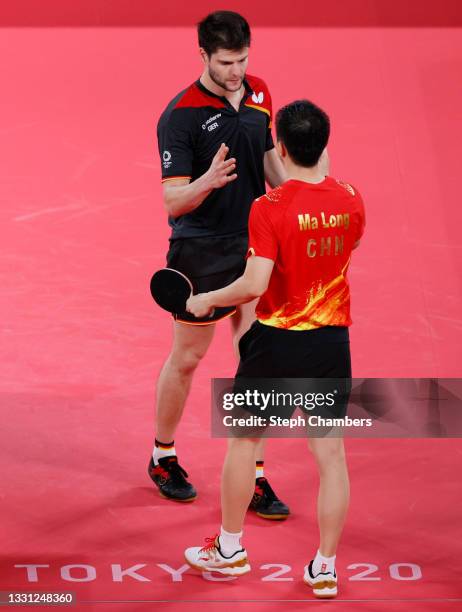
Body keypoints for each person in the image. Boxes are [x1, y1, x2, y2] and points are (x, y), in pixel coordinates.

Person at [184, 99, 365, 599]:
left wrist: (207, 301)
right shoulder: (351, 198)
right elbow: (345, 247)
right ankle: (325, 567)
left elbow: (252, 284)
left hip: (275, 343)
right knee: (331, 455)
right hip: (332, 342)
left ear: (279, 148)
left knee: (244, 443)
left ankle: (229, 549)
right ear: (323, 146)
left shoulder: (269, 207)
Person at [149, 11, 290, 519]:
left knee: (256, 361)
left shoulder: (259, 93)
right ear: (203, 56)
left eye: (244, 59)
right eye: (227, 62)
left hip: (255, 243)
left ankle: (251, 473)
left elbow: (269, 160)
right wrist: (206, 181)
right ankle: (163, 454)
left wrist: (297, 198)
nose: (237, 71)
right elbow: (173, 202)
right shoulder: (180, 116)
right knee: (188, 359)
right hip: (202, 250)